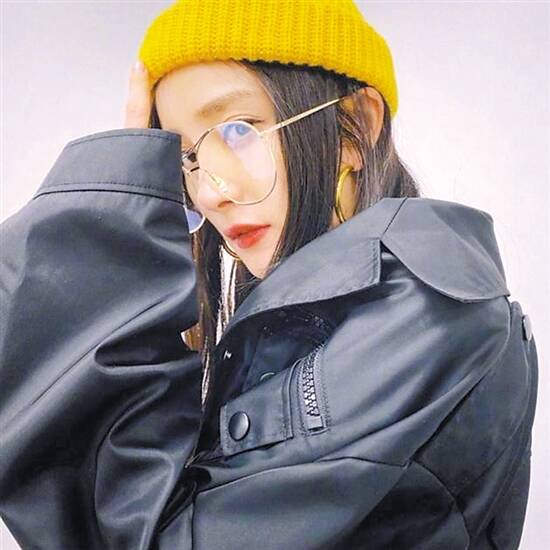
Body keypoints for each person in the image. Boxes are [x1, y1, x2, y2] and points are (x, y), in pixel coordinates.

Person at [0, 0, 539, 549]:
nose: (209, 192)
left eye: (237, 132)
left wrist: (111, 227)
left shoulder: (424, 323)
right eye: (185, 160)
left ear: (356, 128)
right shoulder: (317, 318)